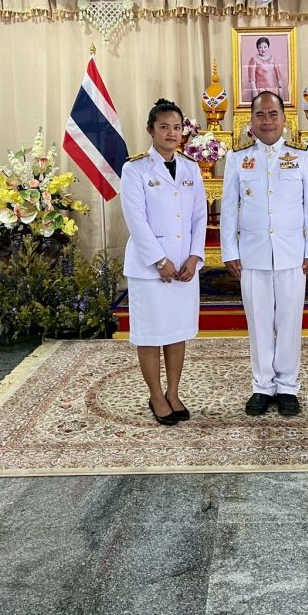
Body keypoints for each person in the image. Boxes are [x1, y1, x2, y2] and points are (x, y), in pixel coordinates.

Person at [220, 91, 308, 416]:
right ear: (251, 121)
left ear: (284, 119)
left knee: (290, 321)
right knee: (259, 322)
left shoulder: (302, 157)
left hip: (292, 254)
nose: (267, 121)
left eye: (273, 114)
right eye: (260, 115)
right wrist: (229, 250)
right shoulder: (238, 159)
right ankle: (262, 386)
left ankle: (288, 386)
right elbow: (229, 209)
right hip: (253, 255)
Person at [120, 98, 207, 426]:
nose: (171, 133)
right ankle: (156, 395)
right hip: (150, 269)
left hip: (184, 267)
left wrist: (195, 256)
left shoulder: (191, 168)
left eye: (176, 127)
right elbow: (136, 219)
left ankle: (173, 392)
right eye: (164, 127)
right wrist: (159, 260)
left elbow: (199, 216)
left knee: (176, 331)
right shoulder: (135, 169)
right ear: (150, 130)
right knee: (150, 333)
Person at [247, 36, 283, 101]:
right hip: (260, 90)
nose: (263, 49)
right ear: (257, 48)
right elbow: (252, 77)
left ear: (268, 47)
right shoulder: (254, 59)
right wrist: (254, 91)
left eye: (265, 47)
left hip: (273, 89)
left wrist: (280, 87)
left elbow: (278, 74)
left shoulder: (273, 58)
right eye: (260, 47)